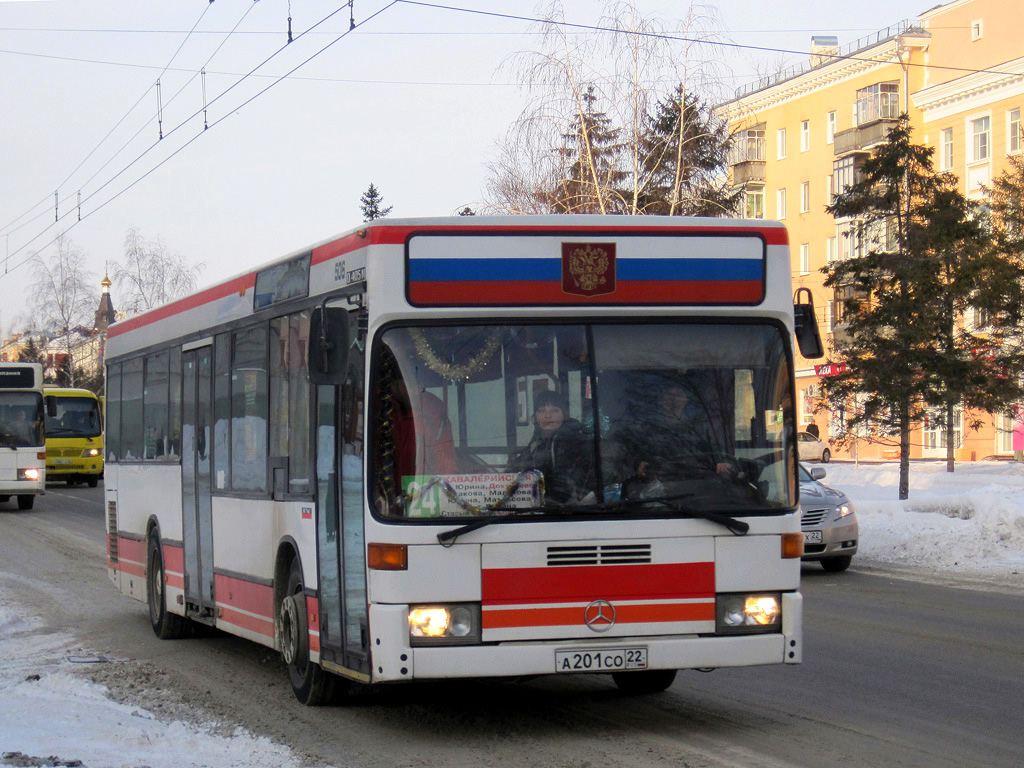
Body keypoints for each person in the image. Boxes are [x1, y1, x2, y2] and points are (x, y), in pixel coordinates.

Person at [618, 382, 733, 490]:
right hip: (657, 492)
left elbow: (717, 456)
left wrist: (721, 464)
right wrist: (638, 466)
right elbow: (631, 459)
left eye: (678, 394)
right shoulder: (646, 429)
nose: (674, 399)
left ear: (686, 400)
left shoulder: (698, 429)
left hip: (698, 488)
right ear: (661, 400)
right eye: (669, 394)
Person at [509, 390, 593, 505]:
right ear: (535, 416)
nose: (547, 416)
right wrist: (500, 479)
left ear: (564, 414)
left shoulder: (570, 440)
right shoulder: (539, 439)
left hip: (567, 510)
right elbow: (520, 464)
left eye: (554, 410)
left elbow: (562, 485)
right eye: (541, 411)